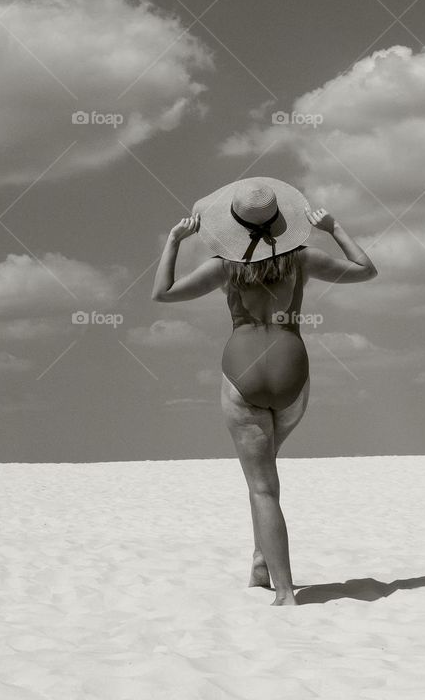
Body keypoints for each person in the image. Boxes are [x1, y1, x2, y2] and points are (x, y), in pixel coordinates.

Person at [151, 176, 377, 606]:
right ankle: (260, 561)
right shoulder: (304, 259)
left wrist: (174, 240)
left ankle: (286, 592)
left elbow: (162, 294)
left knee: (262, 487)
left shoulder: (223, 267)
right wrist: (334, 228)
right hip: (293, 367)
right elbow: (367, 271)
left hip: (243, 368)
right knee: (267, 471)